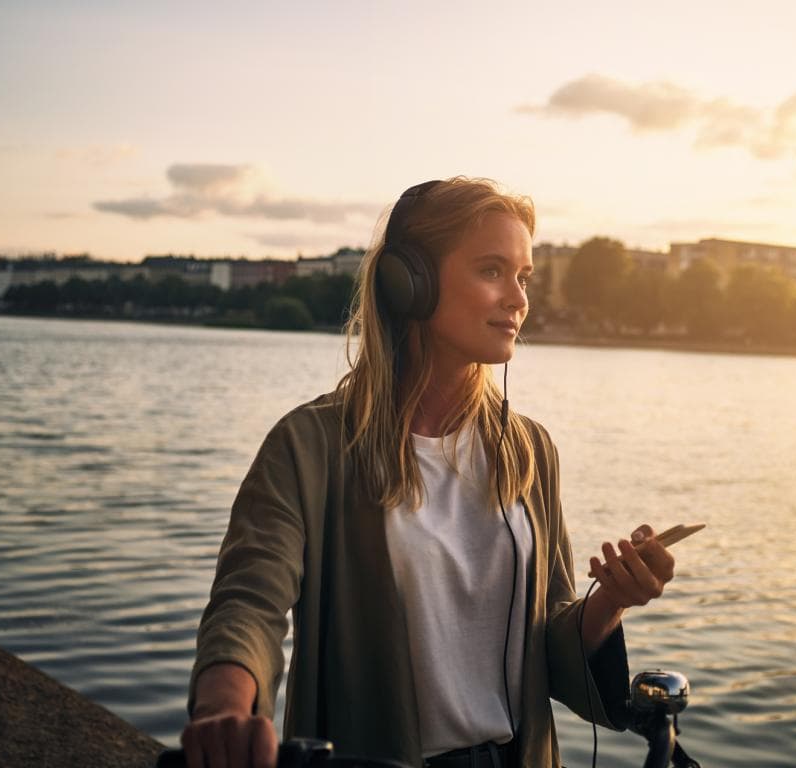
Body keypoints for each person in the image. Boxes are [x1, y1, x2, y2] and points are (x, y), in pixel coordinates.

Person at [181, 177, 676, 768]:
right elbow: (248, 603)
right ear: (407, 282)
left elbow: (549, 644)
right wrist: (225, 710)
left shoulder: (531, 451)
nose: (519, 299)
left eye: (523, 277)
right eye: (492, 271)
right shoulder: (309, 446)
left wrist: (612, 600)